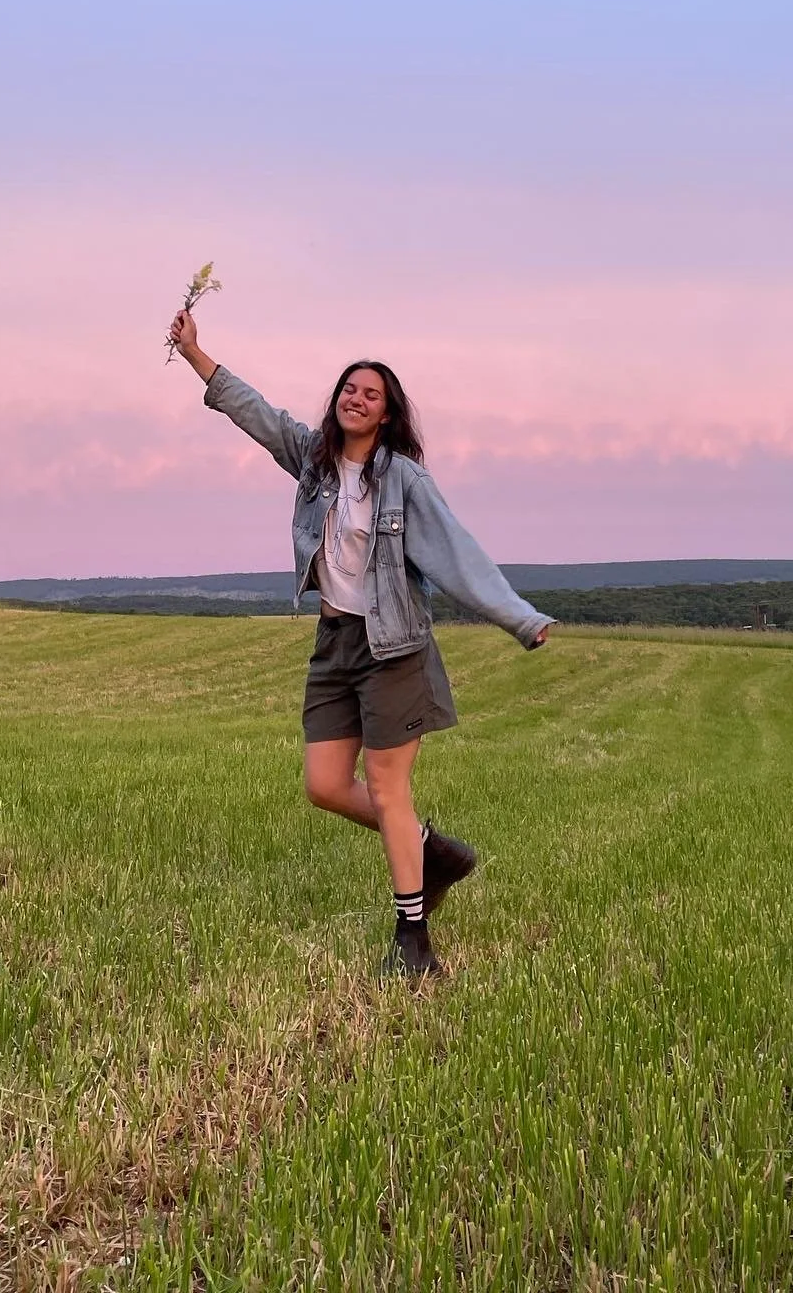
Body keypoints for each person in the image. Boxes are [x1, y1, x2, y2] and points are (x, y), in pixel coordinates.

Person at [168, 306, 554, 982]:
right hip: (335, 643)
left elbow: (457, 555)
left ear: (386, 413)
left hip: (394, 647)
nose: (356, 398)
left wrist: (519, 617)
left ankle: (413, 940)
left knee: (386, 786)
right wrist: (197, 354)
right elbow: (252, 411)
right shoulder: (313, 462)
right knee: (323, 785)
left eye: (370, 393)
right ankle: (435, 851)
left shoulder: (403, 478)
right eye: (350, 388)